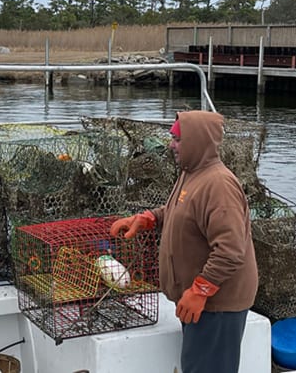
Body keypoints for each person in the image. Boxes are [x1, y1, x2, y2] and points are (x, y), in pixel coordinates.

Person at [110, 110, 257, 373]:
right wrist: (149, 218)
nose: (171, 145)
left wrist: (200, 290)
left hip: (217, 306)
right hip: (199, 302)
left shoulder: (219, 185)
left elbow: (231, 249)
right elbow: (181, 211)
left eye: (177, 139)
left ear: (197, 141)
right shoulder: (192, 174)